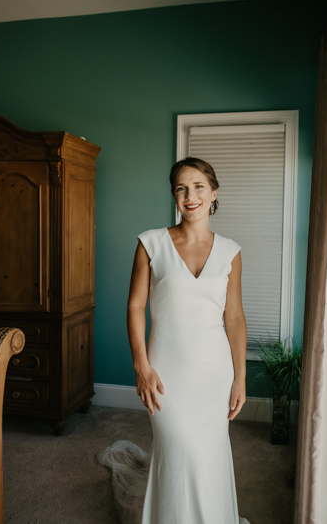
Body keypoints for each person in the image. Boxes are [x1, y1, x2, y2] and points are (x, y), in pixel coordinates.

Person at [97, 157, 252, 524]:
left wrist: (240, 376)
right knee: (179, 450)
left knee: (208, 454)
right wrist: (141, 365)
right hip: (165, 371)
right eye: (181, 188)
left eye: (198, 186)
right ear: (174, 196)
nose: (190, 195)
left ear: (213, 193)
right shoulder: (151, 243)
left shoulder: (231, 251)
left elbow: (234, 317)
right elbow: (135, 306)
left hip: (215, 372)